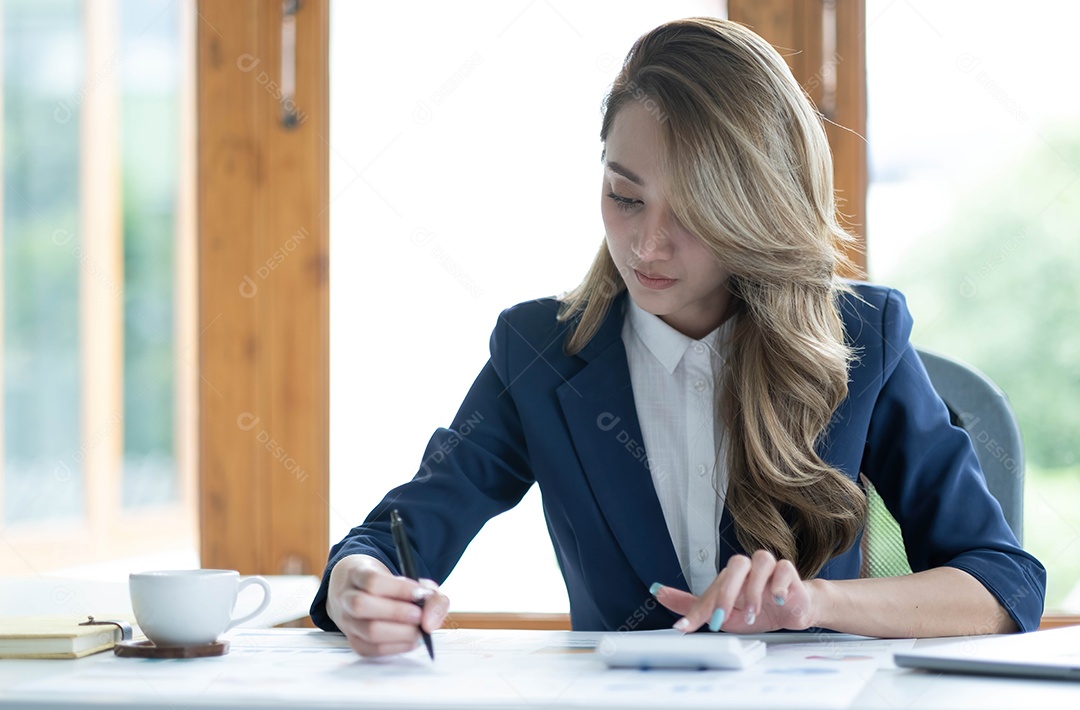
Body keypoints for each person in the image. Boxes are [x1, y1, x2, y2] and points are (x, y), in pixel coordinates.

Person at [310, 17, 1045, 657]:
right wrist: (360, 589)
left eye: (693, 214)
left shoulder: (862, 339)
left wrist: (815, 603)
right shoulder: (537, 351)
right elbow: (390, 540)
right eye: (624, 196)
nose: (646, 246)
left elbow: (999, 581)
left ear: (760, 212)